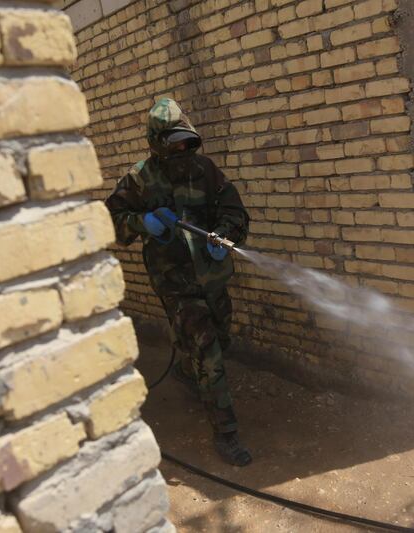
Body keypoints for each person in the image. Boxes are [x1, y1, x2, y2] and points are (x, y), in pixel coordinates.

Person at [106, 98, 252, 466]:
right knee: (209, 353)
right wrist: (144, 222)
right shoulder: (140, 178)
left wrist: (223, 234)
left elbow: (234, 210)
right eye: (174, 144)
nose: (182, 149)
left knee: (220, 339)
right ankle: (227, 433)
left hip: (212, 277)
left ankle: (187, 371)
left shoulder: (206, 171)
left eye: (186, 142)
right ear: (157, 143)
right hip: (174, 282)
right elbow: (112, 217)